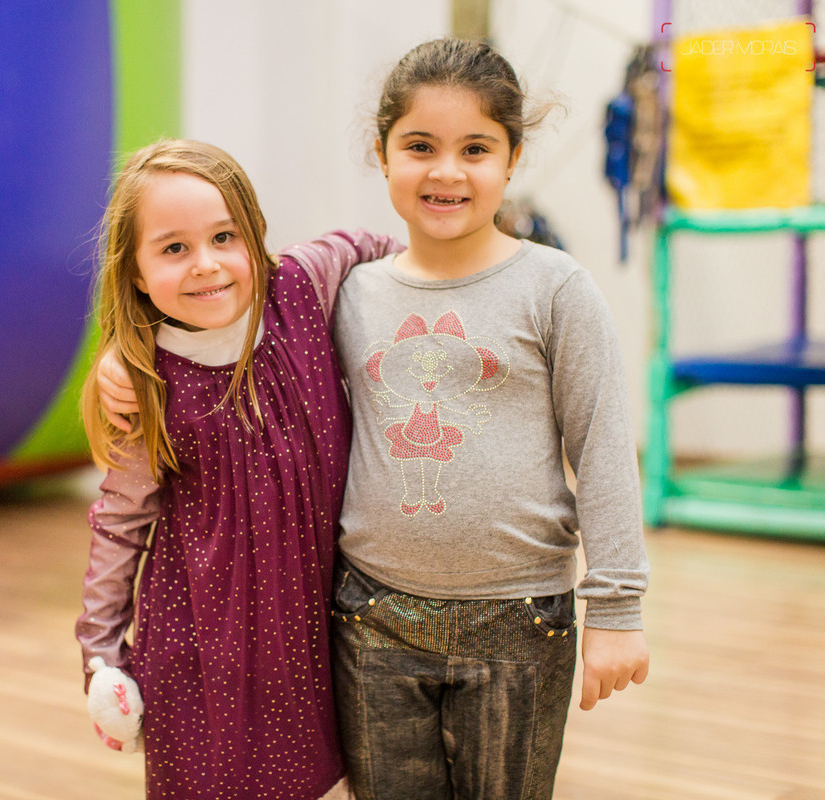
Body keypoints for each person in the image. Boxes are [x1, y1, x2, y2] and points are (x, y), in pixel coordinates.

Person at [97, 38, 651, 800]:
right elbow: (222, 311)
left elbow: (604, 451)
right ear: (382, 155)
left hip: (519, 624)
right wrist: (123, 356)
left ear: (513, 157)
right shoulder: (348, 293)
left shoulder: (557, 290)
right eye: (420, 146)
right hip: (372, 625)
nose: (446, 171)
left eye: (476, 148)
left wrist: (616, 610)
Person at [75, 138, 398, 800]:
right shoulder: (145, 381)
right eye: (173, 248)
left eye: (225, 237)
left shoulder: (304, 285)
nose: (207, 266)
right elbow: (119, 523)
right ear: (135, 273)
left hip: (311, 631)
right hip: (200, 646)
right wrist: (100, 655)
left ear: (254, 234)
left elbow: (377, 243)